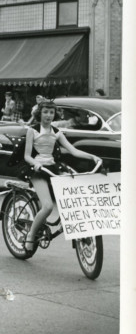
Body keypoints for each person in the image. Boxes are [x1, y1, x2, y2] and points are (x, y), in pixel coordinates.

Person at [21, 100, 102, 252]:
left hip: (53, 168)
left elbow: (73, 150)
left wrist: (92, 157)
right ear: (40, 113)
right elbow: (27, 155)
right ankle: (31, 235)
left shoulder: (56, 132)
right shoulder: (32, 130)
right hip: (38, 170)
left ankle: (79, 229)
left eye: (51, 112)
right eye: (45, 112)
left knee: (74, 197)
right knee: (47, 206)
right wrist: (36, 164)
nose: (48, 115)